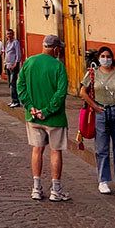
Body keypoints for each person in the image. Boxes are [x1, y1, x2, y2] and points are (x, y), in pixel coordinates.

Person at [17, 34, 70, 202]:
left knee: (37, 150)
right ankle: (56, 190)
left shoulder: (29, 62)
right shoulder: (58, 66)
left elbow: (20, 86)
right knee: (56, 151)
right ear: (55, 49)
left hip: (33, 117)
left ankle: (36, 188)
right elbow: (61, 93)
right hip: (54, 118)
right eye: (59, 49)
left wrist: (30, 107)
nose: (59, 52)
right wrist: (47, 111)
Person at [78, 46, 115, 194]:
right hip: (101, 113)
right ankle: (103, 181)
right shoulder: (92, 74)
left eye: (108, 56)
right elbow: (82, 92)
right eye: (103, 56)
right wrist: (95, 107)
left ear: (112, 58)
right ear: (98, 59)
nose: (106, 59)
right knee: (102, 148)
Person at [5, 28, 22, 107]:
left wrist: (16, 63)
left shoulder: (15, 42)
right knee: (10, 83)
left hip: (13, 65)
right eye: (7, 34)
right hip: (8, 65)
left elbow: (18, 54)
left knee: (13, 83)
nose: (9, 35)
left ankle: (16, 101)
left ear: (13, 34)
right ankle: (12, 100)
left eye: (10, 34)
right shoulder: (7, 43)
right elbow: (7, 54)